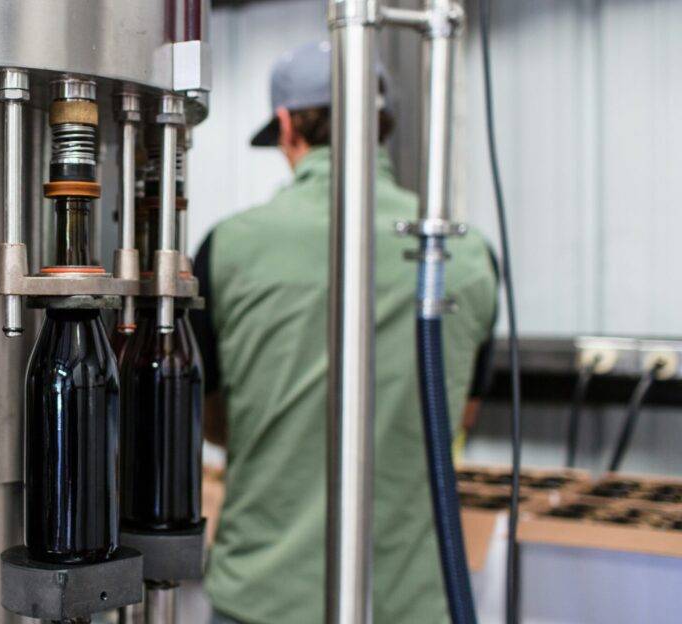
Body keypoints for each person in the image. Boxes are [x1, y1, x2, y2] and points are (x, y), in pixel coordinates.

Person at [191, 41, 498, 623]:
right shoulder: (466, 251)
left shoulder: (229, 247)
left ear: (286, 126)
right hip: (415, 600)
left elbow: (213, 418)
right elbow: (455, 416)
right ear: (381, 123)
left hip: (266, 598)